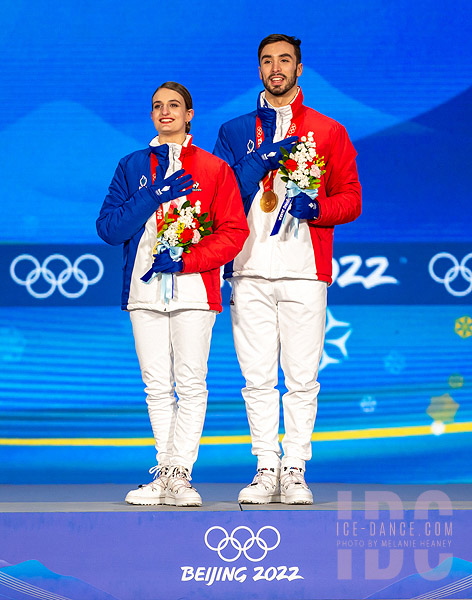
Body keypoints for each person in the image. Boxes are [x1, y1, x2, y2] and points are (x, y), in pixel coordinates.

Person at [214, 34, 361, 504]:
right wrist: (256, 165)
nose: (275, 68)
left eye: (285, 60)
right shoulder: (235, 132)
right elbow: (216, 199)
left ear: (300, 68)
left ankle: (294, 468)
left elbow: (352, 199)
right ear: (258, 69)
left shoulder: (328, 131)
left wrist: (316, 207)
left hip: (304, 270)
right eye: (266, 61)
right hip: (249, 269)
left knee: (301, 378)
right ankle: (265, 467)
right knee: (256, 377)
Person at [97, 82, 249, 507]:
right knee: (156, 386)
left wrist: (187, 261)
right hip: (144, 291)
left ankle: (181, 474)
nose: (165, 112)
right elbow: (110, 229)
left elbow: (234, 233)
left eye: (174, 106)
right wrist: (151, 195)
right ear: (151, 116)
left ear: (190, 114)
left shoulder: (215, 170)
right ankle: (164, 472)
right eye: (157, 106)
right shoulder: (131, 167)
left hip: (194, 292)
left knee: (191, 383)